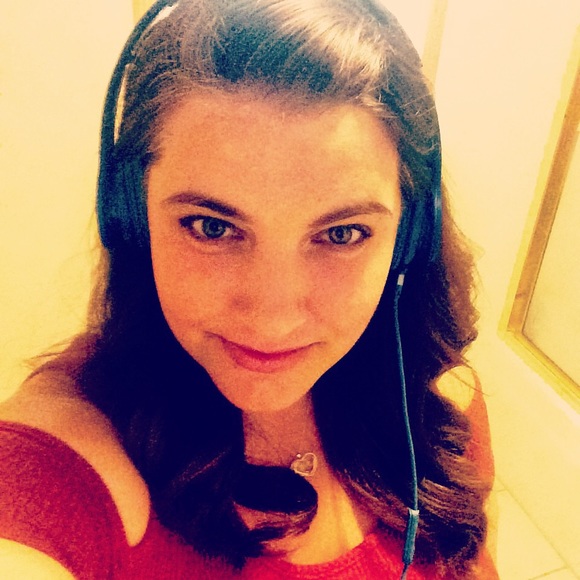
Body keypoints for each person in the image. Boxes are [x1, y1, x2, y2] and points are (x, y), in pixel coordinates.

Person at [0, 0, 497, 578]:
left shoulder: (441, 400)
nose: (272, 318)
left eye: (342, 233)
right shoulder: (66, 455)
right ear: (133, 220)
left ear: (409, 238)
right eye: (212, 227)